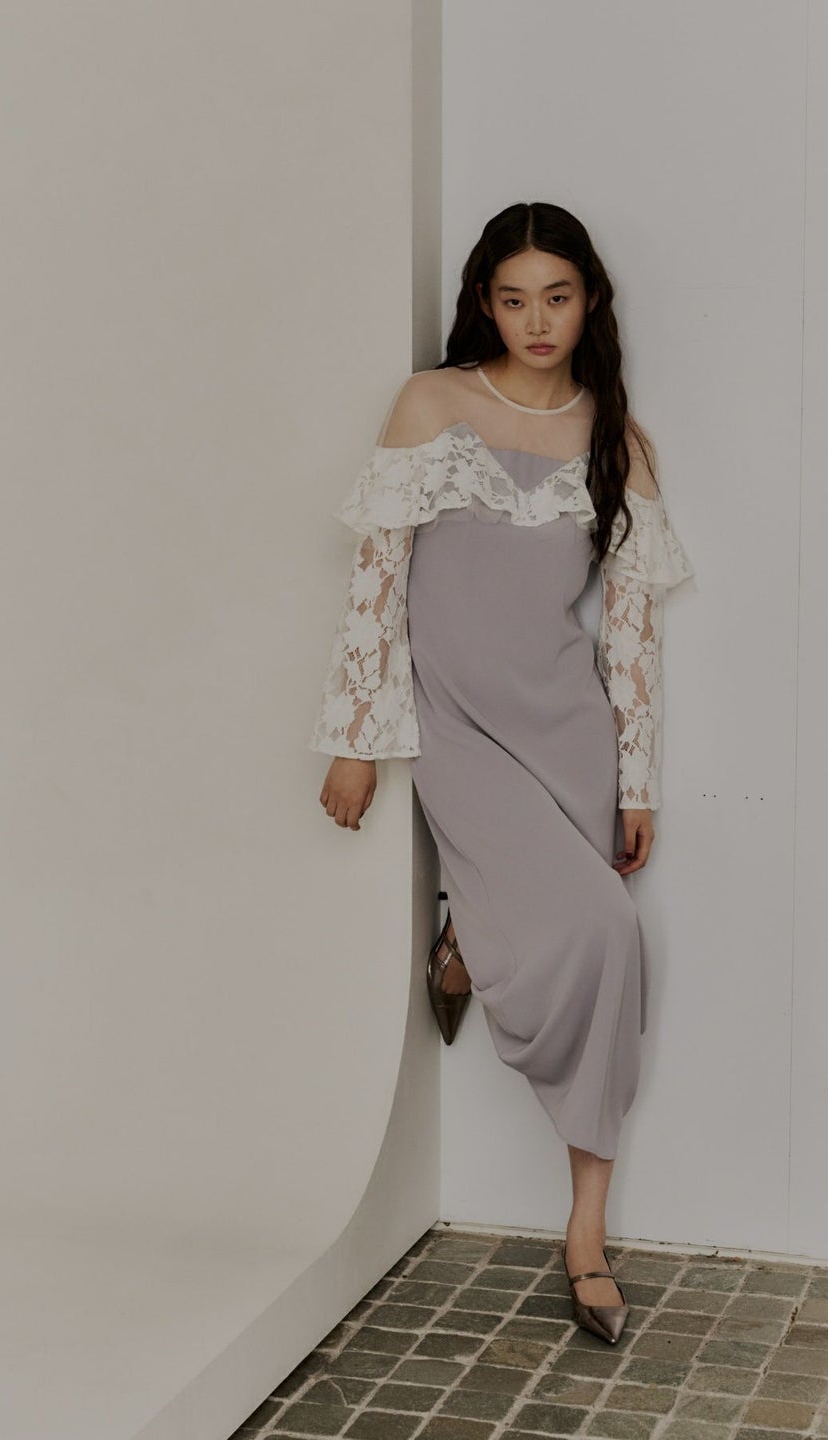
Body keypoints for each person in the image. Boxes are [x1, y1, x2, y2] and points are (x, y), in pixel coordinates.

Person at [308, 202, 694, 1343]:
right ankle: (470, 940)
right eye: (515, 298)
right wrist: (355, 741)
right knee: (603, 929)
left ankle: (586, 1229)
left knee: (607, 949)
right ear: (486, 300)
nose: (536, 320)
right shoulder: (433, 405)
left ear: (589, 302)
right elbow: (376, 582)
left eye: (557, 297)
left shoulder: (618, 440)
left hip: (569, 732)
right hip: (456, 725)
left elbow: (631, 636)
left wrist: (636, 781)